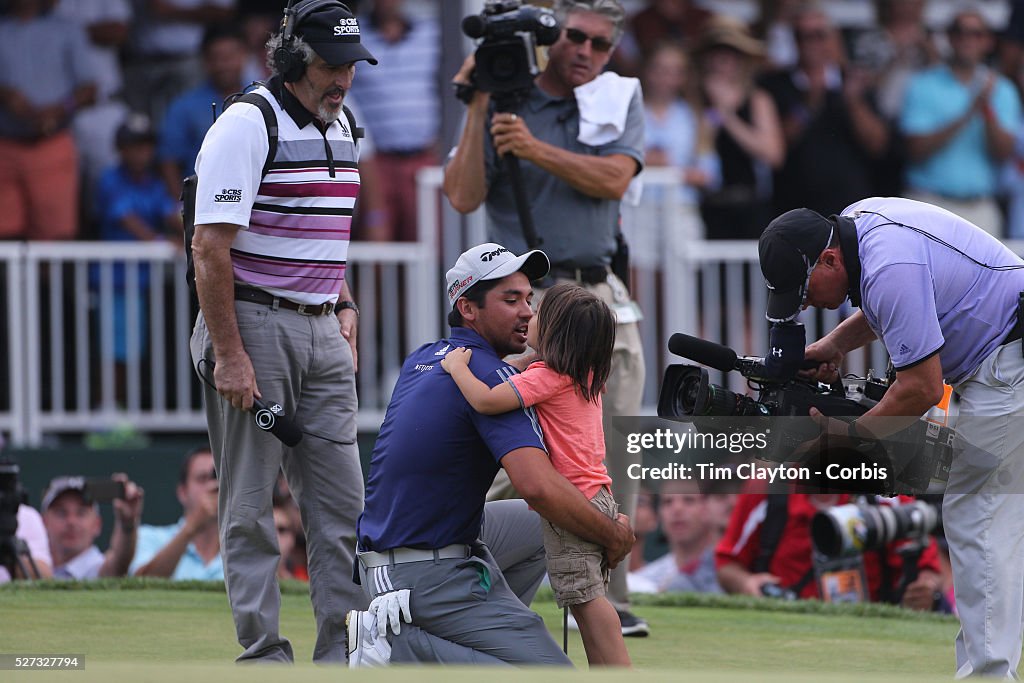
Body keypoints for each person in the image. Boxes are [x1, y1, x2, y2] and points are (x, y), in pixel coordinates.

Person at [443, 0, 649, 637]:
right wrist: (479, 99)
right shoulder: (507, 100)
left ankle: (606, 594)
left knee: (610, 452)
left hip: (597, 301)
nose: (585, 51)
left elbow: (616, 177)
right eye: (574, 37)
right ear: (548, 38)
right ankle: (468, 584)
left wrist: (531, 149)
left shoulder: (617, 98)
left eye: (600, 43)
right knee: (515, 460)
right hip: (528, 306)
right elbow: (462, 194)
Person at [756, 195, 1024, 676]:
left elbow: (921, 388)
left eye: (805, 290)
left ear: (830, 259)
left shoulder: (886, 267)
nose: (808, 303)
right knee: (994, 523)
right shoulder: (861, 223)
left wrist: (850, 439)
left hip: (1009, 365)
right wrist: (836, 342)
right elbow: (903, 302)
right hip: (1005, 359)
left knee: (976, 519)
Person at [188, 0, 376, 662]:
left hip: (325, 330)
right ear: (295, 59)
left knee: (345, 507)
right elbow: (209, 248)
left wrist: (345, 303)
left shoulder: (346, 123)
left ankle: (344, 655)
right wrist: (231, 356)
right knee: (248, 504)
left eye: (349, 67)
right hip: (253, 324)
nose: (342, 81)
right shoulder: (247, 124)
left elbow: (326, 233)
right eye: (330, 66)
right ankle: (264, 655)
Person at [346, 242, 635, 667]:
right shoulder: (492, 376)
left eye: (529, 299)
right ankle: (394, 648)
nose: (527, 312)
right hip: (416, 574)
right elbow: (539, 488)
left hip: (409, 555)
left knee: (545, 525)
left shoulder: (424, 357)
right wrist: (612, 535)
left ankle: (480, 632)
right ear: (468, 308)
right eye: (510, 300)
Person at [440, 281, 630, 667]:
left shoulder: (547, 378)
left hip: (573, 501)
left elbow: (487, 400)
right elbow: (516, 370)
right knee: (592, 597)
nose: (529, 314)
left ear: (556, 331)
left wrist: (457, 368)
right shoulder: (585, 374)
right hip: (599, 496)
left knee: (586, 601)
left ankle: (616, 671)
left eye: (539, 311)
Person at [899, 8, 1020, 237]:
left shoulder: (1002, 89)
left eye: (976, 33)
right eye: (960, 32)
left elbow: (1004, 153)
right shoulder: (922, 84)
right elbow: (915, 149)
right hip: (928, 203)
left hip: (980, 207)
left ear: (988, 41)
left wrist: (987, 111)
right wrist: (967, 114)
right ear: (950, 38)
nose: (967, 39)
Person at [760, 4, 889, 217]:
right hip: (793, 207)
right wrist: (809, 104)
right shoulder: (775, 84)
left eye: (819, 35)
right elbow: (776, 147)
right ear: (794, 41)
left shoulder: (855, 81)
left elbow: (878, 144)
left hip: (849, 206)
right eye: (803, 36)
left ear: (833, 38)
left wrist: (854, 102)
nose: (811, 43)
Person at [716, 489, 941, 607]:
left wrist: (924, 588)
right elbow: (726, 564)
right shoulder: (766, 491)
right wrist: (746, 584)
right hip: (780, 633)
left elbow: (928, 569)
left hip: (870, 636)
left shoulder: (885, 495)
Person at [0, 0, 97, 241]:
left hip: (52, 142)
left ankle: (48, 281)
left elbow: (89, 89)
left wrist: (59, 110)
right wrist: (5, 94)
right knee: (5, 236)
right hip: (6, 143)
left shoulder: (67, 30)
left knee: (55, 237)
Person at [348, 0, 440, 242]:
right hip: (374, 162)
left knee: (427, 242)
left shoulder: (430, 33)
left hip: (422, 159)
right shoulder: (354, 34)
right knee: (377, 244)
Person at [693, 16, 784, 240]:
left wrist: (727, 116)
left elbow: (773, 154)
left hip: (749, 208)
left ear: (742, 60)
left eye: (731, 53)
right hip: (706, 208)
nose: (722, 60)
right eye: (716, 52)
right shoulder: (693, 100)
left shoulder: (757, 100)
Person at [158, 24, 250, 201]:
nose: (224, 65)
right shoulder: (184, 107)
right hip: (203, 205)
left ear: (244, 55)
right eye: (216, 58)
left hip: (257, 203)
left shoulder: (263, 98)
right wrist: (184, 211)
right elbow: (168, 162)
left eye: (230, 56)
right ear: (205, 62)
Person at [130, 446, 221, 580]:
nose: (211, 486)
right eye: (202, 478)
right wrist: (191, 527)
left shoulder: (244, 548)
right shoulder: (148, 538)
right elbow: (141, 586)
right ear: (182, 492)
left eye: (218, 478)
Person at [41, 474, 144, 580]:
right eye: (61, 513)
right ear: (44, 522)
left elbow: (119, 563)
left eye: (81, 513)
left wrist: (127, 522)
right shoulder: (32, 565)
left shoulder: (98, 569)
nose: (71, 522)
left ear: (97, 524)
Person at [630, 479, 722, 594]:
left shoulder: (731, 571)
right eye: (667, 502)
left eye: (689, 500)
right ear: (658, 515)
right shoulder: (643, 582)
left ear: (708, 508)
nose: (677, 509)